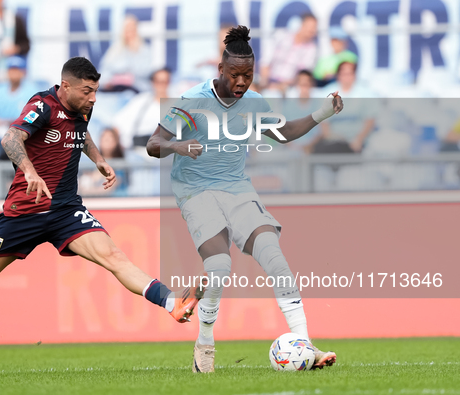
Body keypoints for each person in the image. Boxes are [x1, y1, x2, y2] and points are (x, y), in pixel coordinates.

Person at [0, 57, 204, 326]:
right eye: (87, 91)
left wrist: (98, 159)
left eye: (95, 91)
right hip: (25, 211)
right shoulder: (42, 105)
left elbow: (81, 133)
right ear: (66, 86)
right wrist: (29, 170)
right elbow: (10, 137)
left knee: (114, 257)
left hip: (66, 210)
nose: (93, 98)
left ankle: (172, 303)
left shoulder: (84, 106)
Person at [147, 26, 343, 373]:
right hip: (197, 191)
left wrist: (321, 114)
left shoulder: (253, 103)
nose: (241, 82)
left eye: (248, 75)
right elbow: (154, 144)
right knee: (219, 268)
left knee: (276, 259)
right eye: (235, 75)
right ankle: (204, 346)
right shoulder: (192, 101)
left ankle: (307, 348)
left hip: (237, 188)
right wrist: (178, 145)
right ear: (220, 70)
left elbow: (282, 133)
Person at [314, 62, 376, 153]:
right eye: (344, 74)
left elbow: (370, 121)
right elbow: (324, 123)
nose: (347, 77)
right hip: (334, 143)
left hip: (359, 143)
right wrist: (333, 138)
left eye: (350, 73)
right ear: (338, 75)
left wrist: (359, 140)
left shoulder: (366, 93)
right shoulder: (327, 93)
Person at [260, 13, 318, 92]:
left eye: (315, 28)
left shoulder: (312, 49)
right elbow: (265, 62)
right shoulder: (281, 36)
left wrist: (283, 86)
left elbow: (303, 75)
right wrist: (266, 83)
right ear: (302, 25)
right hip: (269, 82)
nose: (313, 30)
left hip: (290, 87)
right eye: (310, 27)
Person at [98, 14, 152, 92]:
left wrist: (129, 77)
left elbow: (148, 73)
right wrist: (108, 81)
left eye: (132, 28)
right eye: (127, 29)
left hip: (137, 90)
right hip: (115, 91)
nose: (129, 32)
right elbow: (103, 72)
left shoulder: (145, 50)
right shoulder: (114, 50)